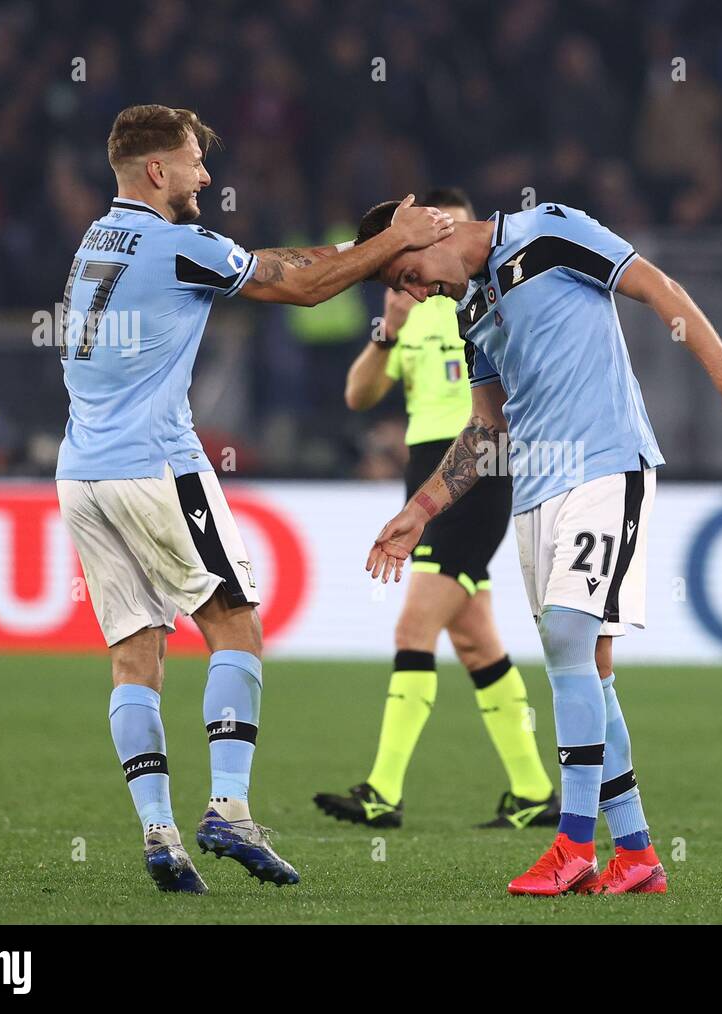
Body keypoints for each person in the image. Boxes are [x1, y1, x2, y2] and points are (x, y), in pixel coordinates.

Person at [54, 104, 453, 893]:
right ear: (158, 172)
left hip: (82, 472)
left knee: (135, 654)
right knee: (234, 624)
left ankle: (160, 836)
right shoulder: (177, 243)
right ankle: (229, 810)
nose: (208, 175)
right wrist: (391, 244)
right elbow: (300, 290)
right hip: (156, 467)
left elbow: (269, 260)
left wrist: (355, 249)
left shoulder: (100, 239)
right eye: (195, 162)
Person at [359, 199, 722, 895]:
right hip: (534, 490)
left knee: (567, 637)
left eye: (408, 273)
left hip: (605, 464)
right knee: (589, 663)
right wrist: (420, 509)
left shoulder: (549, 230)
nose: (415, 292)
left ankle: (572, 844)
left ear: (432, 224)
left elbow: (658, 288)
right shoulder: (472, 313)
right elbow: (486, 432)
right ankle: (639, 854)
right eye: (401, 287)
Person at [314, 187, 559, 831]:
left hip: (477, 472)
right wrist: (386, 338)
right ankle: (533, 793)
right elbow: (358, 396)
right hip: (425, 479)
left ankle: (382, 792)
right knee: (476, 644)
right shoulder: (409, 306)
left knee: (412, 631)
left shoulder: (478, 303)